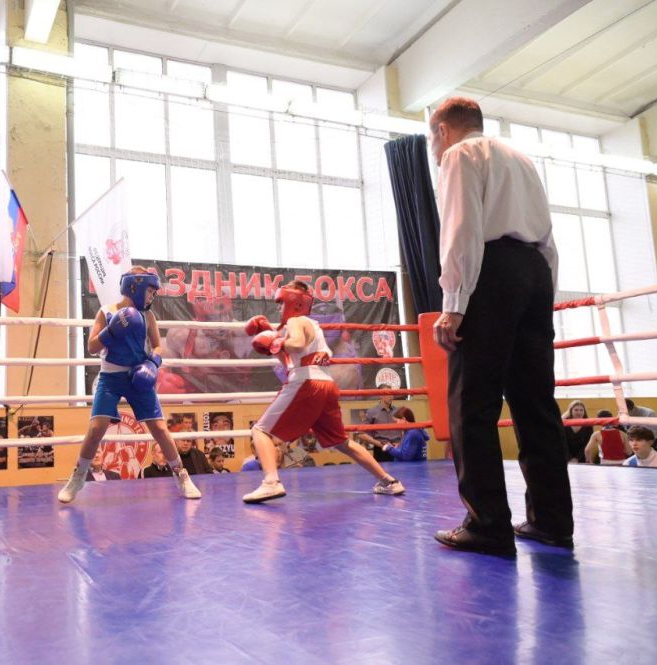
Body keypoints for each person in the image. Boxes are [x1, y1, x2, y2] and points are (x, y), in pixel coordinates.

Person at [429, 97, 573, 555]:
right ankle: (552, 521)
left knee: (472, 404)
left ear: (443, 130)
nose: (434, 148)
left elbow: (463, 228)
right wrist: (543, 299)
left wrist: (454, 303)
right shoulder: (521, 159)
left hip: (490, 274)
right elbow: (547, 238)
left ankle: (487, 524)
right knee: (537, 404)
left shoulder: (459, 154)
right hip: (534, 273)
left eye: (433, 138)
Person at [242, 280, 404, 502]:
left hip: (307, 382)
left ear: (294, 302)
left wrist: (275, 342)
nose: (279, 308)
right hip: (325, 384)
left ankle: (271, 483)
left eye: (281, 303)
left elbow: (297, 345)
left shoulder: (296, 321)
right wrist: (272, 339)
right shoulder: (315, 326)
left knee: (260, 431)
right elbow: (293, 361)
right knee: (342, 442)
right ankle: (389, 482)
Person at [58, 267, 201, 502]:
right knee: (96, 428)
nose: (152, 296)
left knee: (160, 428)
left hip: (138, 376)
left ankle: (181, 476)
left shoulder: (148, 316)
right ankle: (78, 476)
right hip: (110, 377)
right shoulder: (106, 312)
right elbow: (92, 347)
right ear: (135, 287)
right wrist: (111, 331)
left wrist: (152, 364)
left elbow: (157, 346)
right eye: (150, 291)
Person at [354, 386, 403, 462]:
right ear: (380, 395)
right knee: (382, 470)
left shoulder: (398, 411)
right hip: (381, 450)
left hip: (398, 448)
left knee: (401, 469)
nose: (391, 396)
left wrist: (401, 443)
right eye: (388, 394)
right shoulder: (372, 412)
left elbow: (406, 430)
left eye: (392, 393)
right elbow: (360, 433)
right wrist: (379, 444)